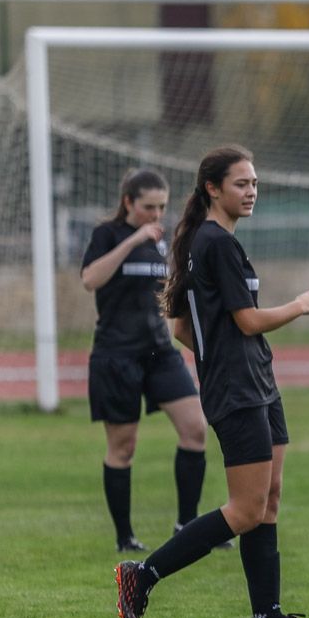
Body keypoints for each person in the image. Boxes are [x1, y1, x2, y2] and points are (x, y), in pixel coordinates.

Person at [113, 145, 309, 618]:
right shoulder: (215, 242)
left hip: (256, 380)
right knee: (246, 508)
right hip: (238, 389)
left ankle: (267, 616)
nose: (251, 191)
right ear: (213, 188)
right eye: (241, 183)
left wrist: (220, 352)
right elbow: (248, 319)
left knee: (268, 499)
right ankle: (141, 576)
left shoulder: (207, 240)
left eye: (254, 183)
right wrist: (298, 306)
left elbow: (181, 328)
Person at [80, 169, 218, 553]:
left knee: (195, 429)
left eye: (161, 207)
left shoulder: (164, 241)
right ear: (128, 202)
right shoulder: (107, 235)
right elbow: (91, 279)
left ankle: (186, 525)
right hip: (116, 353)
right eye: (148, 208)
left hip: (158, 352)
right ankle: (125, 537)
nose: (156, 215)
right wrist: (133, 240)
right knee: (123, 447)